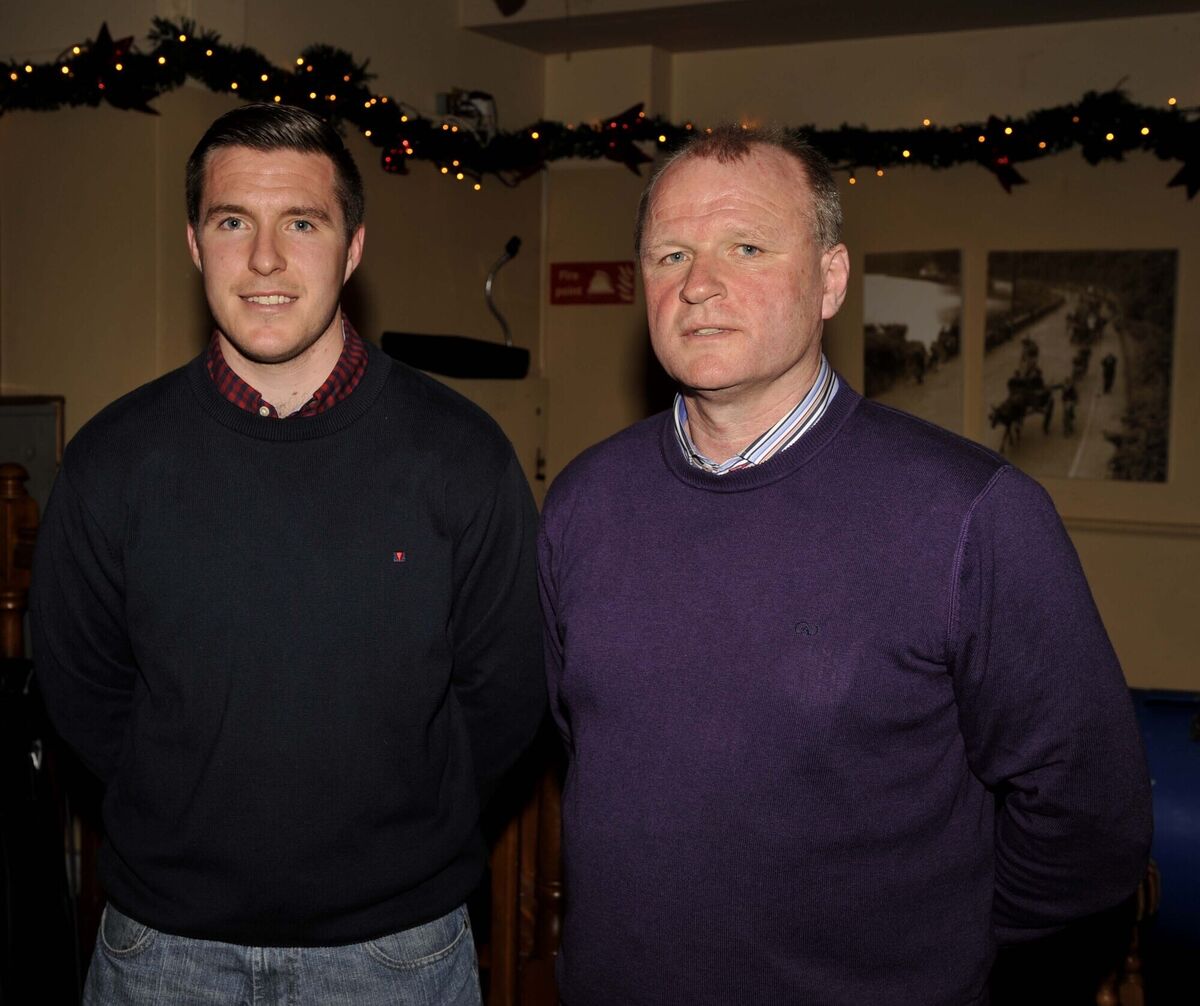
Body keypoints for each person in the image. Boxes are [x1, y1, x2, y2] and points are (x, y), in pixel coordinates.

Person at [537, 125, 1151, 1005]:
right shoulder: (584, 501)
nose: (699, 284)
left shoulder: (971, 513)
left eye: (746, 246)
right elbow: (583, 743)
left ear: (831, 279)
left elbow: (1088, 814)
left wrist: (955, 964)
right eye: (669, 253)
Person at [31, 102, 545, 1004]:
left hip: (396, 954)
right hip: (163, 954)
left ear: (351, 249)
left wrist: (394, 835)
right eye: (234, 221)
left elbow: (505, 695)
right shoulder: (114, 461)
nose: (264, 258)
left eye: (301, 223)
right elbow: (84, 692)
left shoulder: (459, 456)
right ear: (195, 243)